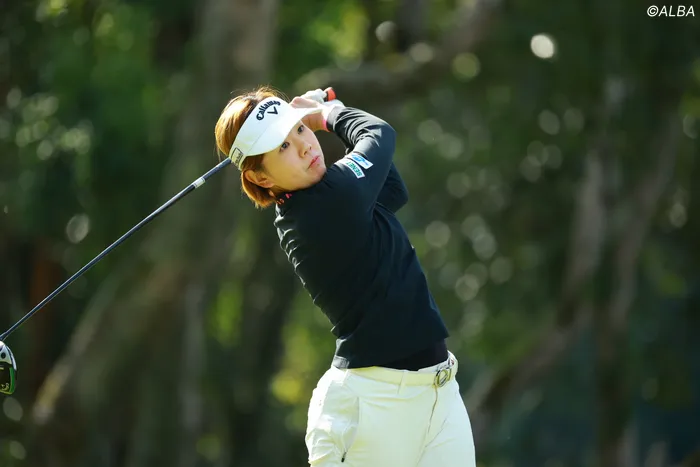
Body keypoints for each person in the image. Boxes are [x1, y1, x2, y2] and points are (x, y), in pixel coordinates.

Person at [214, 86, 476, 467]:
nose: (305, 146)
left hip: (439, 394)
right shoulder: (323, 208)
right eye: (283, 147)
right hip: (372, 407)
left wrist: (326, 113)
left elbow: (393, 189)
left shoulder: (326, 196)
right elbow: (379, 134)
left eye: (299, 130)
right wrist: (325, 115)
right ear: (261, 178)